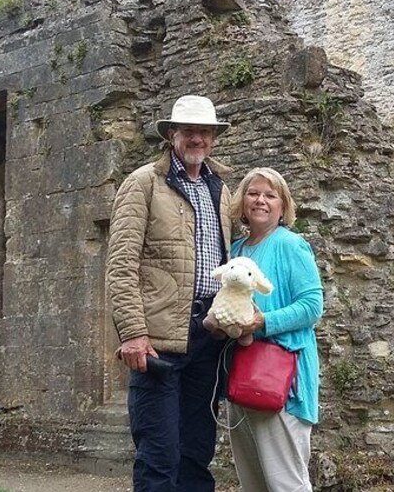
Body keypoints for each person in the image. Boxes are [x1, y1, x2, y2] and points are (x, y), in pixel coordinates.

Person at [107, 94, 232, 492]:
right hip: (157, 343)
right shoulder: (143, 182)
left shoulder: (222, 189)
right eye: (189, 131)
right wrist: (132, 333)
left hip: (208, 337)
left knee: (197, 454)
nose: (198, 138)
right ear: (172, 134)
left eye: (205, 132)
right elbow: (121, 264)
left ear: (214, 138)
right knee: (159, 457)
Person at [226, 167, 324, 491]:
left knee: (286, 484)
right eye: (253, 193)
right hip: (241, 376)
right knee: (253, 484)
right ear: (242, 202)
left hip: (282, 380)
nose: (261, 201)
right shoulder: (236, 250)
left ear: (283, 206)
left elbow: (312, 307)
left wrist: (263, 322)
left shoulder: (291, 245)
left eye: (270, 195)